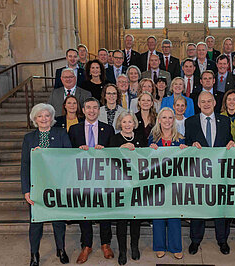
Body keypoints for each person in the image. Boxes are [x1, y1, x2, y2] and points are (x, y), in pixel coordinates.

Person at [185, 91, 235, 256]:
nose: (206, 104)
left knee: (221, 207)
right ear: (198, 104)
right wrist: (192, 144)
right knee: (198, 206)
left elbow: (229, 140)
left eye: (209, 101)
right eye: (203, 102)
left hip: (220, 172)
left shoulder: (225, 120)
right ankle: (195, 240)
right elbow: (186, 144)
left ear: (214, 102)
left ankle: (222, 240)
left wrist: (232, 143)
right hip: (199, 173)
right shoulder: (190, 122)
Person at [21, 103, 71, 265]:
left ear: (52, 118)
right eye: (40, 116)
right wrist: (26, 189)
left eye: (47, 115)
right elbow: (25, 165)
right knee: (36, 223)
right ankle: (34, 254)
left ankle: (61, 249)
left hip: (57, 185)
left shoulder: (61, 133)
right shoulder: (29, 138)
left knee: (58, 220)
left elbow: (69, 159)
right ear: (35, 119)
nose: (44, 119)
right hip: (37, 187)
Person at [68, 97, 115, 264]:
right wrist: (77, 151)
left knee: (104, 211)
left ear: (99, 110)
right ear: (83, 109)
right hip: (82, 179)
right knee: (85, 212)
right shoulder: (74, 130)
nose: (92, 111)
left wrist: (105, 152)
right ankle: (86, 245)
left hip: (103, 179)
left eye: (95, 107)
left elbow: (114, 155)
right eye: (88, 107)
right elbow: (67, 155)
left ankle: (105, 243)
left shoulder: (108, 129)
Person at [108, 110, 146, 265]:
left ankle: (134, 246)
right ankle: (122, 251)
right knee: (122, 221)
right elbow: (109, 159)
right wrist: (121, 148)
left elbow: (146, 157)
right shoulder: (114, 139)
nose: (128, 124)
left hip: (136, 185)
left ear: (134, 123)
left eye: (130, 121)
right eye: (124, 122)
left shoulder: (141, 137)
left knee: (135, 220)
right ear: (120, 124)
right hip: (120, 186)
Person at [149, 107, 187, 259]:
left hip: (174, 184)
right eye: (164, 118)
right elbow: (146, 161)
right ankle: (159, 246)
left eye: (170, 118)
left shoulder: (181, 139)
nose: (167, 121)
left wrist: (186, 151)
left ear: (174, 120)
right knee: (158, 215)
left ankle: (176, 246)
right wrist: (149, 150)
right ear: (159, 120)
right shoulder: (153, 139)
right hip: (157, 184)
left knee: (174, 216)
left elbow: (186, 163)